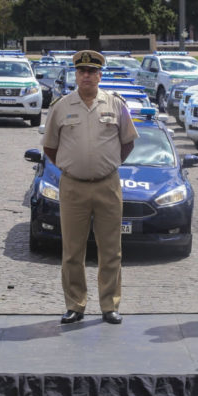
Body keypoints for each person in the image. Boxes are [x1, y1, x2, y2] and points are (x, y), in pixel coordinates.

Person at [42, 50, 138, 325]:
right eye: (82, 71)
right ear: (76, 74)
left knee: (111, 249)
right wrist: (72, 166)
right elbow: (50, 146)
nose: (86, 75)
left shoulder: (115, 104)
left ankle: (110, 305)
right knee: (73, 250)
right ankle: (75, 304)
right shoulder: (61, 106)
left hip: (107, 185)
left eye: (92, 71)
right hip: (73, 187)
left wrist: (108, 164)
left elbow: (128, 141)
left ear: (99, 75)